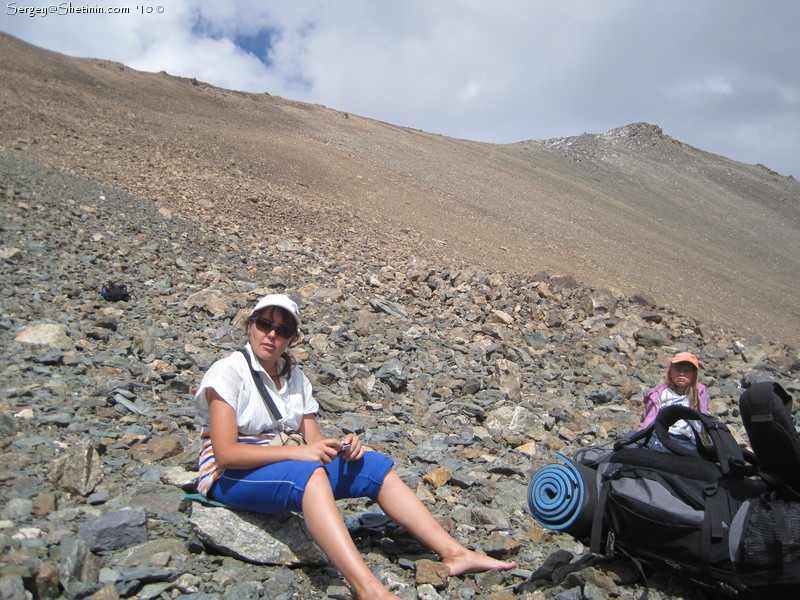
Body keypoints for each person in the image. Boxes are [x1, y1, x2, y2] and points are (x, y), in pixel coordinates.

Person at [194, 293, 516, 600]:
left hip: (284, 462)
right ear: (250, 325)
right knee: (310, 476)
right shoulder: (229, 372)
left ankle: (454, 552)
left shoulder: (295, 379)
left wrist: (343, 445)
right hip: (228, 474)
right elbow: (226, 453)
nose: (271, 335)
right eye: (264, 324)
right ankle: (368, 589)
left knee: (372, 466)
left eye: (283, 329)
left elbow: (313, 442)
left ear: (293, 338)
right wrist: (299, 453)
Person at [636, 351, 709, 449]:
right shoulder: (659, 394)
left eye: (687, 370)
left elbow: (703, 421)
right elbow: (646, 418)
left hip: (688, 440)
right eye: (678, 370)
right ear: (670, 372)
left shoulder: (698, 395)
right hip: (661, 437)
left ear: (693, 374)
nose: (682, 373)